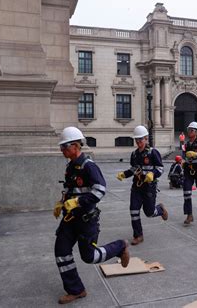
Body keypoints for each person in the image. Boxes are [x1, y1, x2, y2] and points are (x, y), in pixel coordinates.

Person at [53, 127, 130, 304]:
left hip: (86, 220)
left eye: (64, 147)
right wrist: (61, 202)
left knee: (89, 257)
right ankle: (76, 289)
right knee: (61, 251)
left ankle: (120, 247)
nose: (62, 150)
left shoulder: (89, 166)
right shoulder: (70, 167)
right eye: (62, 147)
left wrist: (78, 202)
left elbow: (100, 190)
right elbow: (71, 190)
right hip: (69, 220)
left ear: (75, 146)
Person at [116, 125, 168, 245]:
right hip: (137, 187)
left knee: (149, 212)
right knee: (133, 210)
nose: (138, 142)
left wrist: (153, 175)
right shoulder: (134, 154)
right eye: (137, 140)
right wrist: (124, 174)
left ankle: (160, 209)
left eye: (141, 140)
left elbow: (160, 168)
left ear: (146, 139)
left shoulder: (153, 153)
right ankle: (138, 235)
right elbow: (134, 169)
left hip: (149, 187)